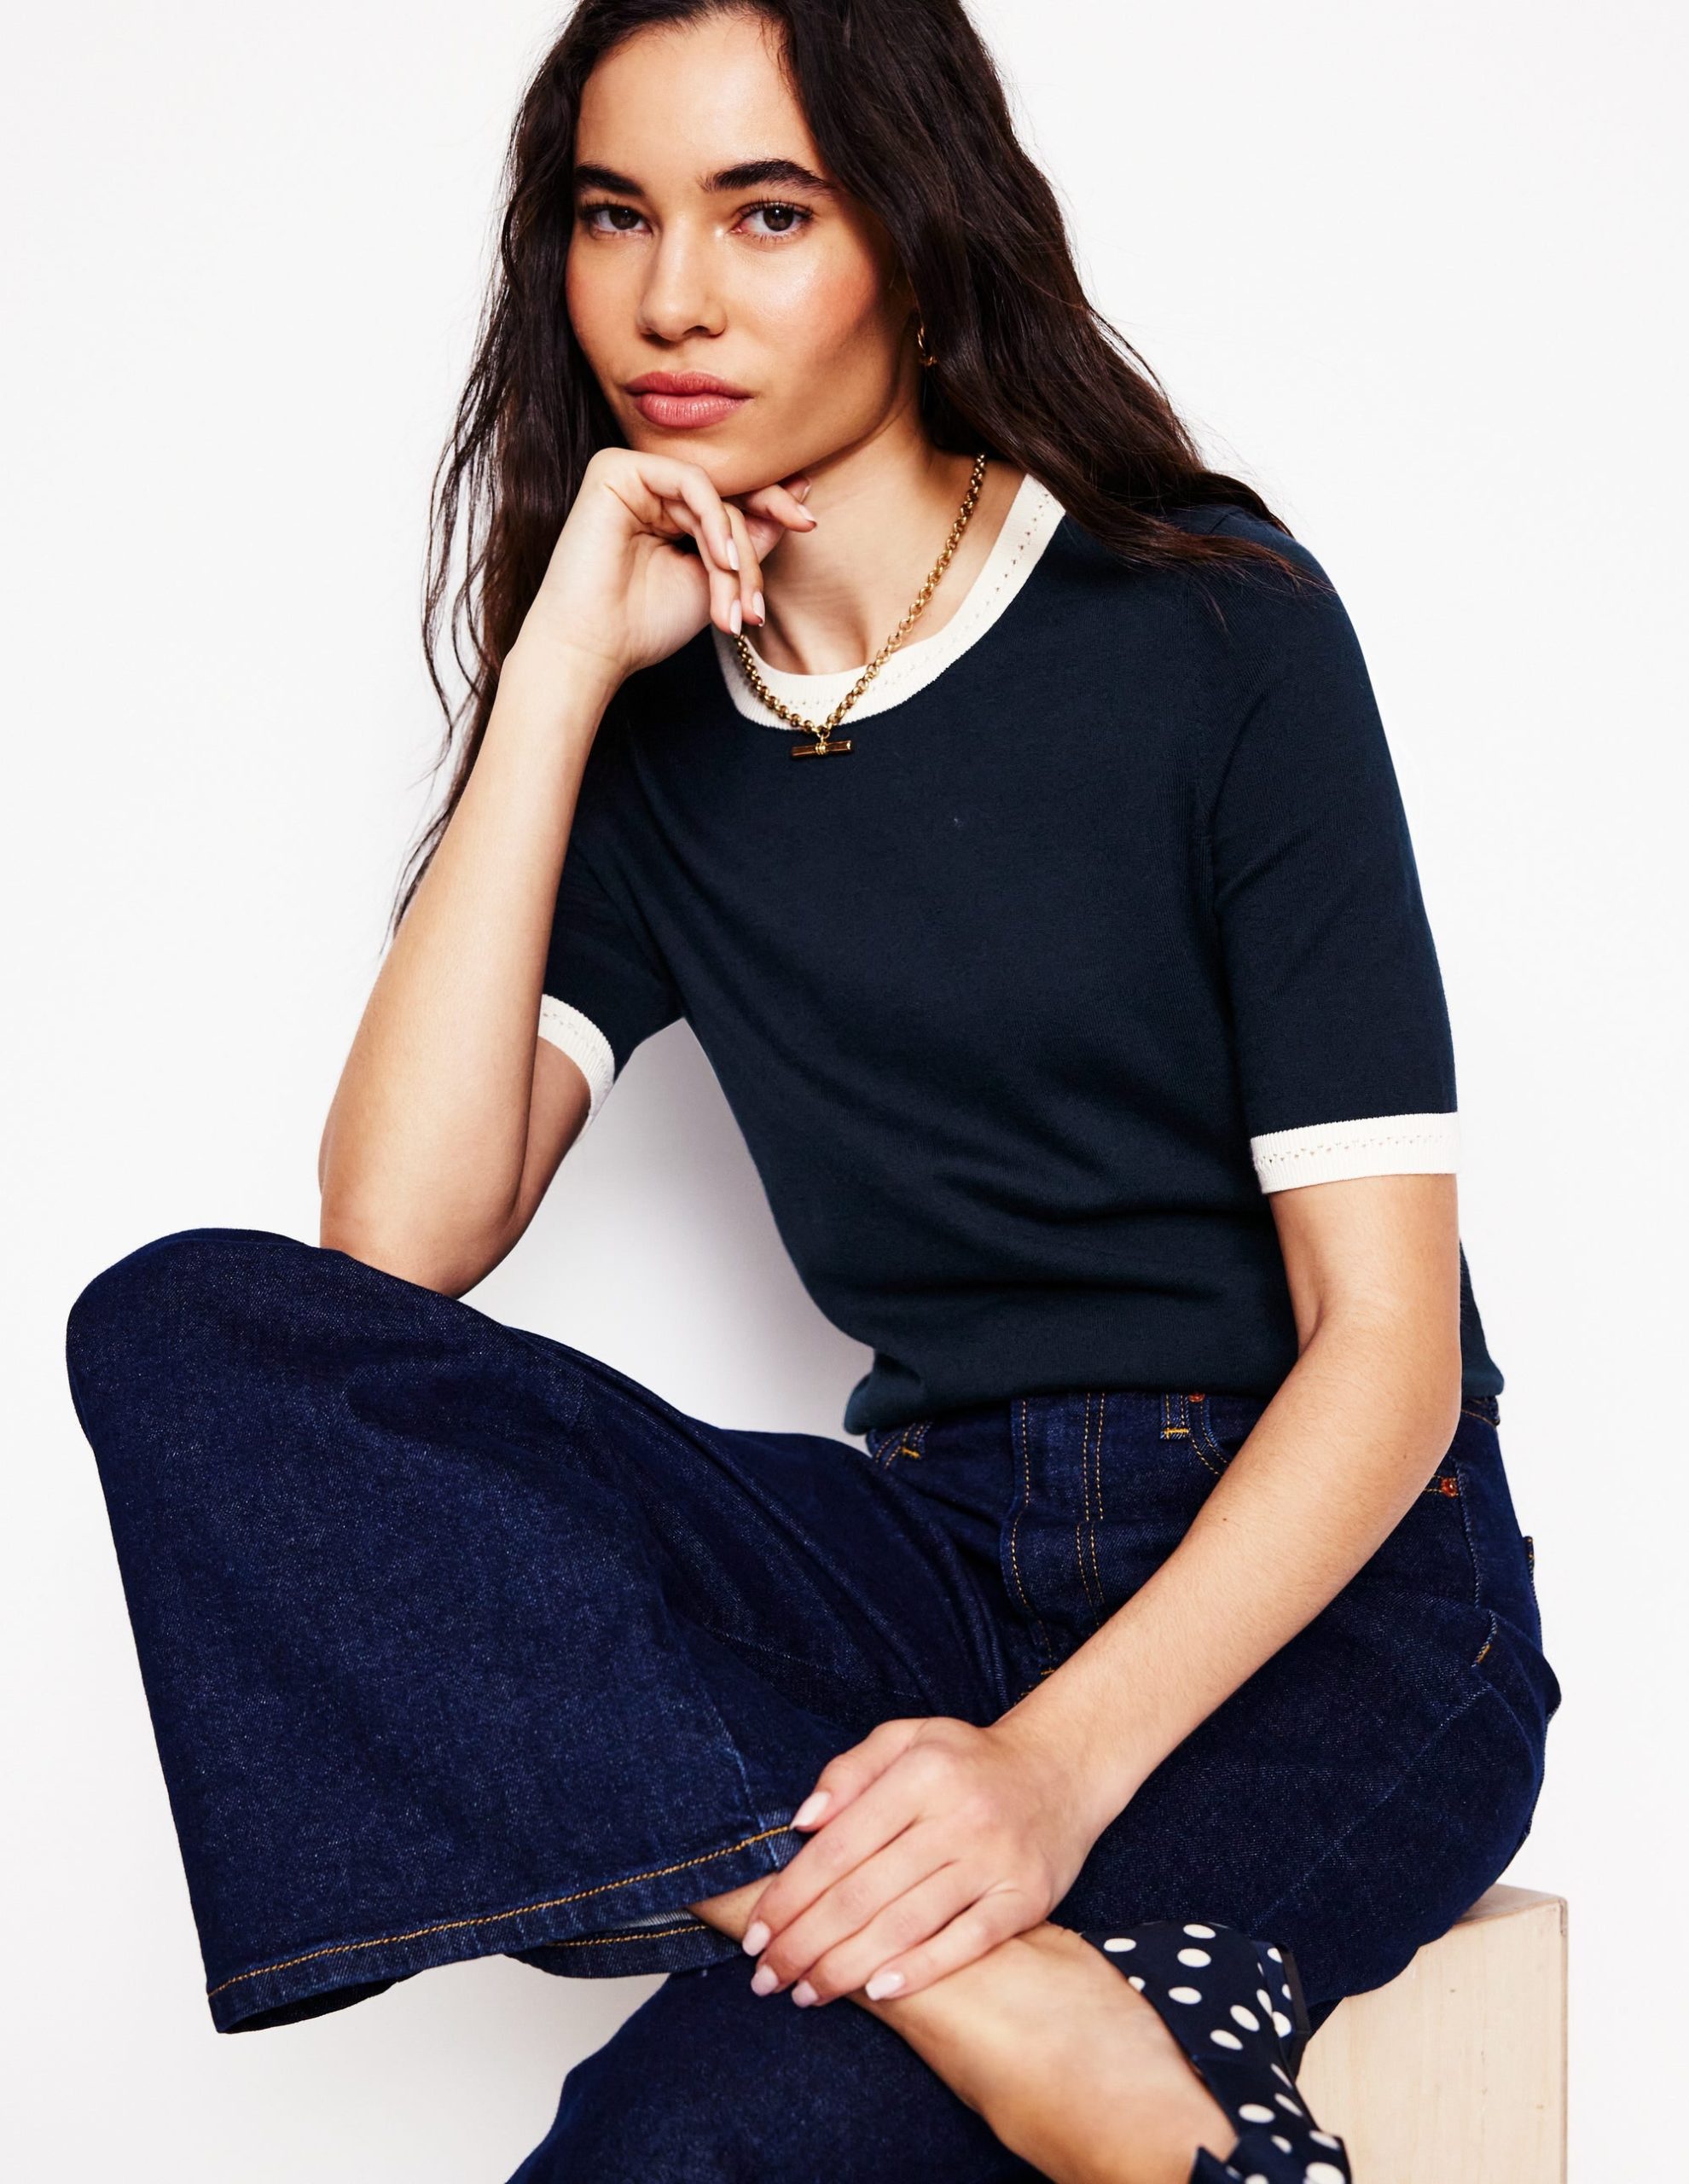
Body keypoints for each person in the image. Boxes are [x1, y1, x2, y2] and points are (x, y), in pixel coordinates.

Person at [62, 3, 1560, 2179]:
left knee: (701, 2132)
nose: (671, 297)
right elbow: (392, 1243)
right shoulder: (661, 724)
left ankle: (1071, 1991)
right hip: (939, 1550)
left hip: (1330, 1592)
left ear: (919, 238)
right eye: (615, 216)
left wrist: (1044, 1776)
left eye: (766, 213)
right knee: (185, 1330)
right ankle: (977, 1983)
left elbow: (1390, 1346)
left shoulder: (1206, 625)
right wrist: (561, 670)